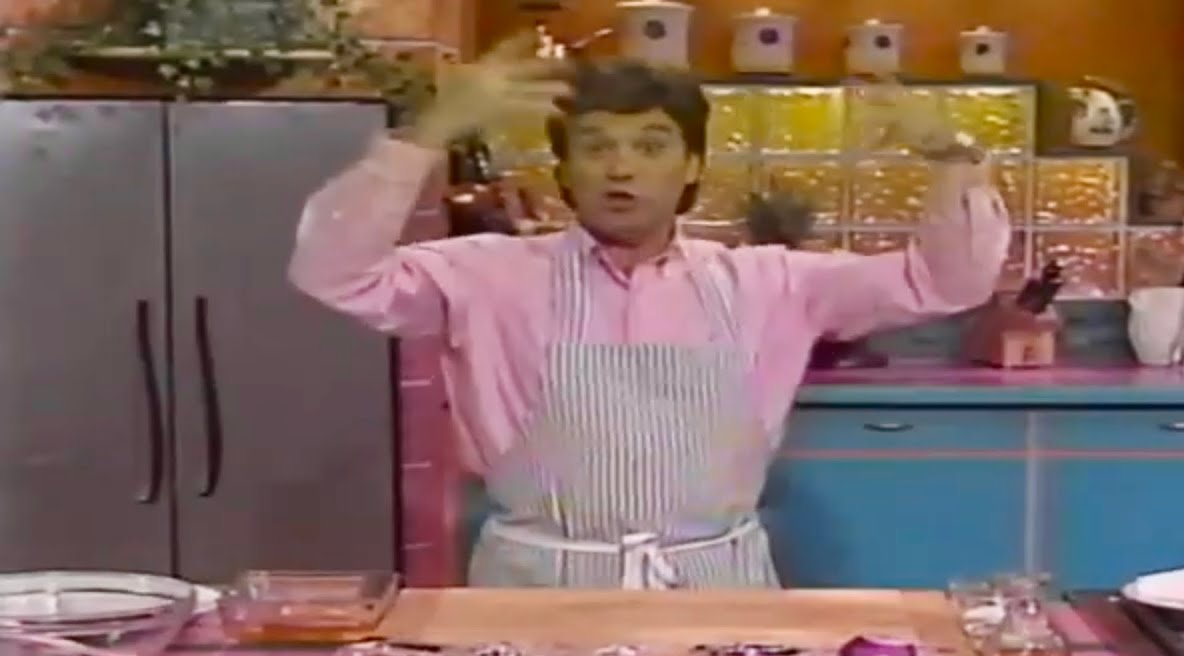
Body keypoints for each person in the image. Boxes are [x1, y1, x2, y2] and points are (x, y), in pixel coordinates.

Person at [289, 33, 1011, 589]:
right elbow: (333, 272)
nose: (621, 167)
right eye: (596, 147)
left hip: (717, 592)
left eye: (650, 145)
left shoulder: (772, 283)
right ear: (565, 169)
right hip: (536, 593)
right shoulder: (484, 275)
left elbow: (947, 282)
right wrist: (423, 137)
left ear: (692, 166)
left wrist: (953, 157)